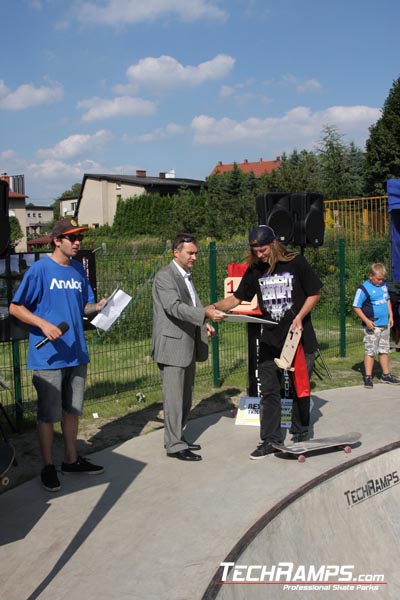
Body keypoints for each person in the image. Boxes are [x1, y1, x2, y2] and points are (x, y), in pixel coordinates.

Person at [9, 218, 106, 491]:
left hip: (76, 352)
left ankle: (71, 460)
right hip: (48, 357)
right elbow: (16, 308)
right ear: (57, 240)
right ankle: (48, 466)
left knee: (72, 411)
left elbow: (83, 307)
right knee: (47, 415)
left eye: (80, 239)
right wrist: (43, 324)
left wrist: (97, 306)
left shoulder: (77, 270)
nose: (78, 243)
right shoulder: (40, 270)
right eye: (72, 238)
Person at [211, 225, 323, 459]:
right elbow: (236, 298)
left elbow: (314, 293)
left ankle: (300, 432)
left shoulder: (296, 262)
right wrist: (209, 309)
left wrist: (300, 317)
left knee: (298, 388)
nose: (260, 255)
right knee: (269, 391)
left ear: (273, 244)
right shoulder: (255, 270)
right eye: (255, 251)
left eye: (263, 250)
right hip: (270, 340)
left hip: (297, 339)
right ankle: (270, 440)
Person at [152, 233, 225, 462]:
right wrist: (204, 314)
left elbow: (192, 305)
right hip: (172, 347)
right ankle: (173, 444)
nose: (195, 257)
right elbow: (174, 308)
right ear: (176, 252)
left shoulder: (186, 276)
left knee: (184, 397)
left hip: (187, 345)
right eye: (190, 253)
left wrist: (204, 324)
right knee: (173, 398)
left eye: (196, 253)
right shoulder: (165, 277)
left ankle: (179, 438)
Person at [352, 262, 400, 389]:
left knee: (384, 349)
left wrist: (391, 315)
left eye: (382, 279)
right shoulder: (363, 289)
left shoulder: (384, 285)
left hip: (385, 324)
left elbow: (387, 299)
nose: (380, 281)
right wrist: (367, 321)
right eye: (378, 279)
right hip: (373, 325)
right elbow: (356, 306)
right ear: (371, 276)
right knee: (370, 350)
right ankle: (368, 377)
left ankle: (386, 374)